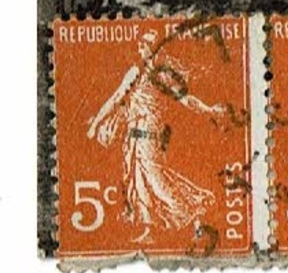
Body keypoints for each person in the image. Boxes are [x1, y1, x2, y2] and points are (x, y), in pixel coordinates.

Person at [88, 31, 228, 244]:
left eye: (146, 45)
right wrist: (97, 122)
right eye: (141, 44)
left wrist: (209, 110)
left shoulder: (164, 75)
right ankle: (150, 230)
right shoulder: (136, 72)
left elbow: (186, 100)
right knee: (139, 183)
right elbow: (116, 98)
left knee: (156, 182)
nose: (141, 48)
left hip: (149, 137)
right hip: (133, 137)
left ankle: (194, 212)